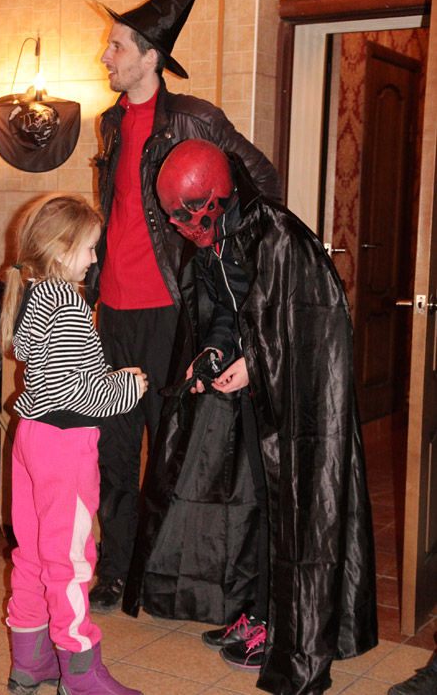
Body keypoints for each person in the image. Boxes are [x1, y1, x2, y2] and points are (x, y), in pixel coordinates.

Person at [124, 139, 378, 695]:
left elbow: (301, 328)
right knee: (259, 505)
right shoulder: (216, 239)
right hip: (255, 394)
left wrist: (253, 364)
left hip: (295, 404)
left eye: (189, 214)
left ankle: (282, 629)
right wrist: (215, 351)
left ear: (217, 197)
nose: (181, 227)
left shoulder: (277, 236)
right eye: (173, 216)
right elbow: (225, 309)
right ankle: (260, 613)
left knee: (290, 509)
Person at [86, 0, 281, 614]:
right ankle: (115, 572)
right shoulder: (109, 123)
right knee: (114, 450)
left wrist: (217, 253)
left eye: (117, 47)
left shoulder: (196, 118)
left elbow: (262, 182)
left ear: (151, 58)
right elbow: (117, 212)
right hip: (113, 313)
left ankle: (158, 576)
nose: (106, 56)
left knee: (169, 450)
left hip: (172, 313)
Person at [0, 194, 148, 695]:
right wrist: (127, 387)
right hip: (64, 445)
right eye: (88, 248)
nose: (93, 257)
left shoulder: (34, 293)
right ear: (62, 250)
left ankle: (31, 662)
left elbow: (50, 374)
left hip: (32, 436)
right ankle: (82, 673)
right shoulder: (67, 303)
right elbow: (72, 391)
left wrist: (108, 376)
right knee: (69, 559)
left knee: (33, 552)